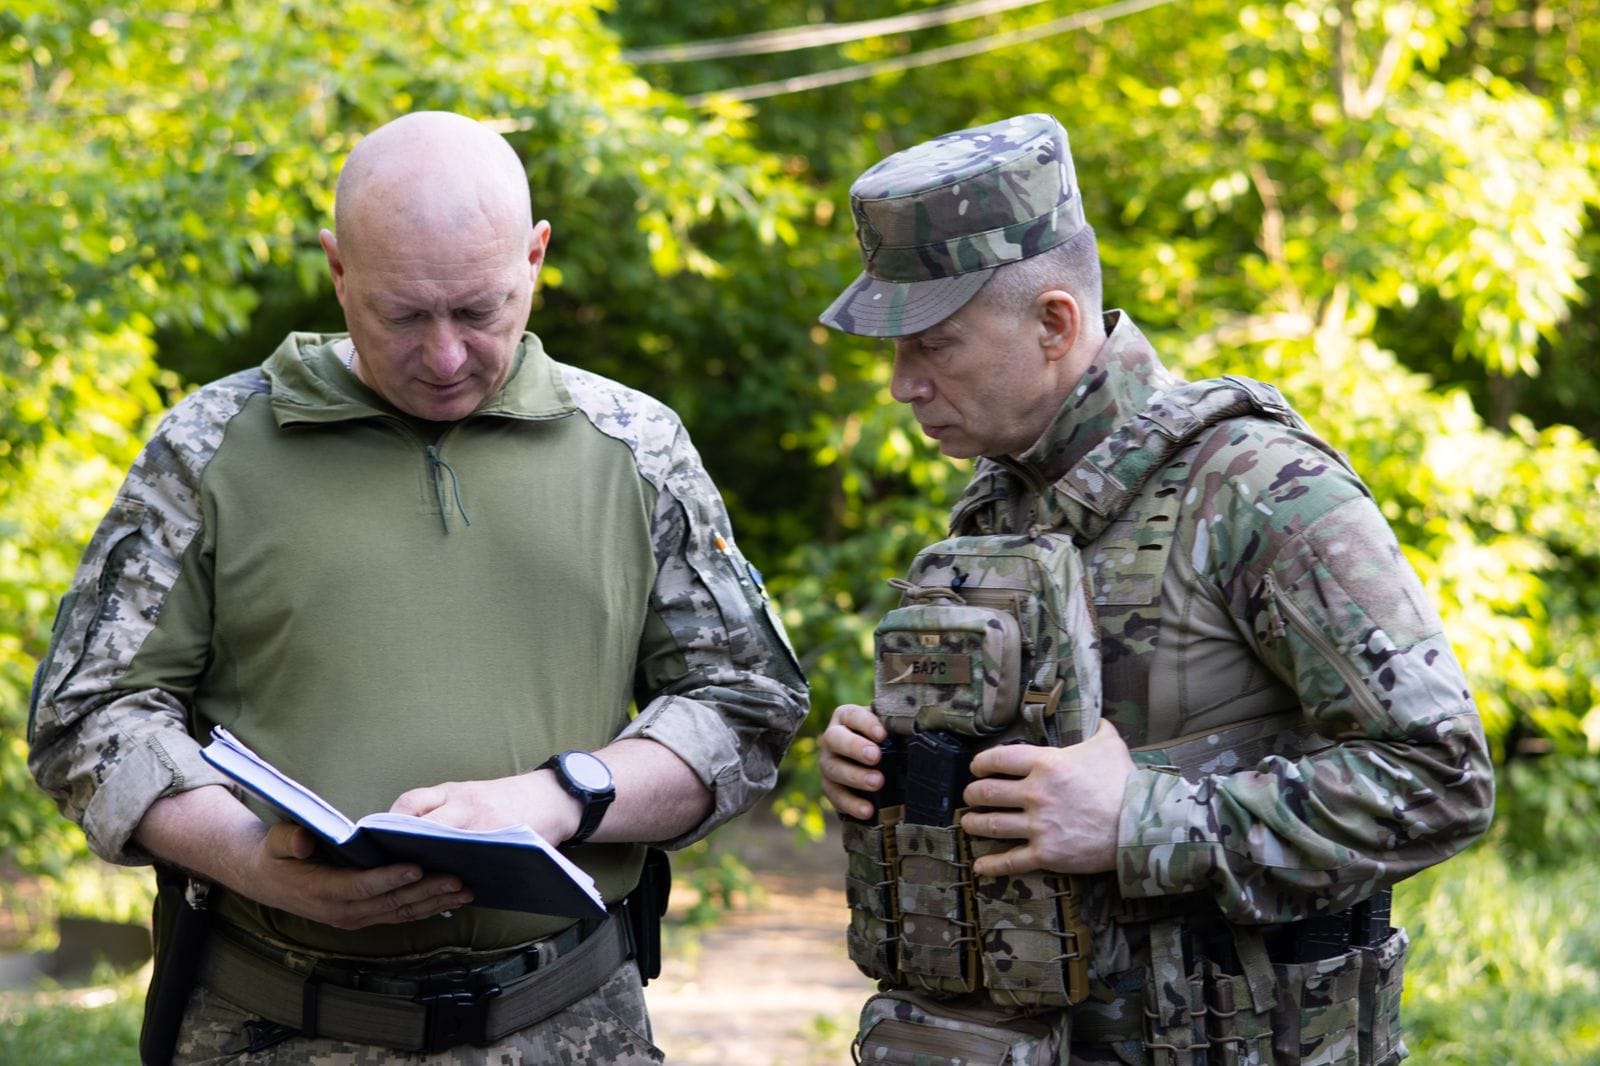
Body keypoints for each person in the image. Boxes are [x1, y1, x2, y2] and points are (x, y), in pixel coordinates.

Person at [28, 110, 808, 1064]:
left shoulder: (635, 449)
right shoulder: (209, 449)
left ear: (536, 256)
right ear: (338, 270)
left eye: (480, 310)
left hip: (570, 1024)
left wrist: (564, 799)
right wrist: (252, 860)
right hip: (276, 1026)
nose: (444, 357)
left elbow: (746, 704)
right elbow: (88, 712)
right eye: (403, 314)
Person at [816, 112, 1492, 1063]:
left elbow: (1443, 777)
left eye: (934, 345)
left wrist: (1142, 819)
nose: (901, 385)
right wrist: (892, 774)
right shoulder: (997, 509)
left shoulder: (1261, 488)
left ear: (1054, 323)